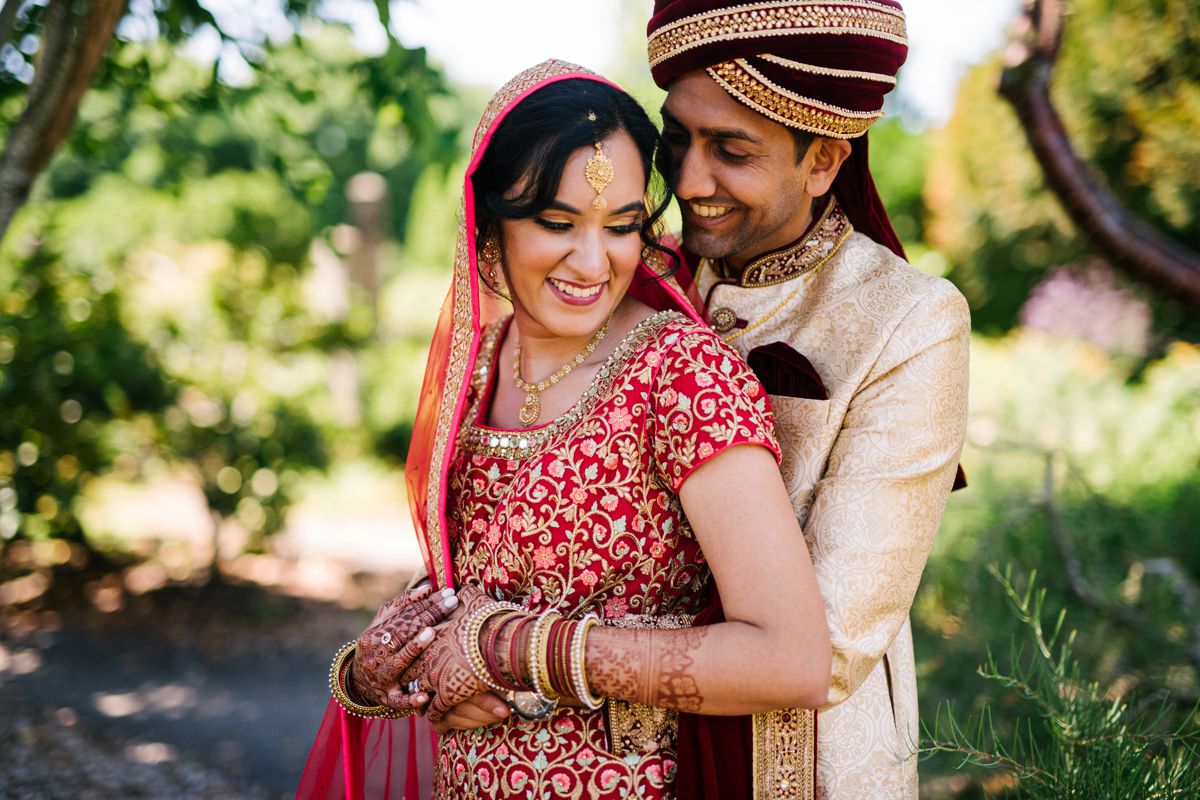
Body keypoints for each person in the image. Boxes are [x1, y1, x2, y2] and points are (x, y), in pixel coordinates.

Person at [296, 60, 833, 800]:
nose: (593, 261)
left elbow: (791, 661)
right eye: (556, 223)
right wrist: (389, 663)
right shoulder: (477, 366)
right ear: (489, 226)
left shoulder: (679, 374)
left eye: (621, 227)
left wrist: (512, 650)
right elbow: (475, 591)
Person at [642, 2, 972, 799]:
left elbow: (826, 649)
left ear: (823, 160)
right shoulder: (628, 277)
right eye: (677, 137)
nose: (687, 180)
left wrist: (547, 654)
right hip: (606, 766)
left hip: (805, 765)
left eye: (731, 150)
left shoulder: (911, 321)